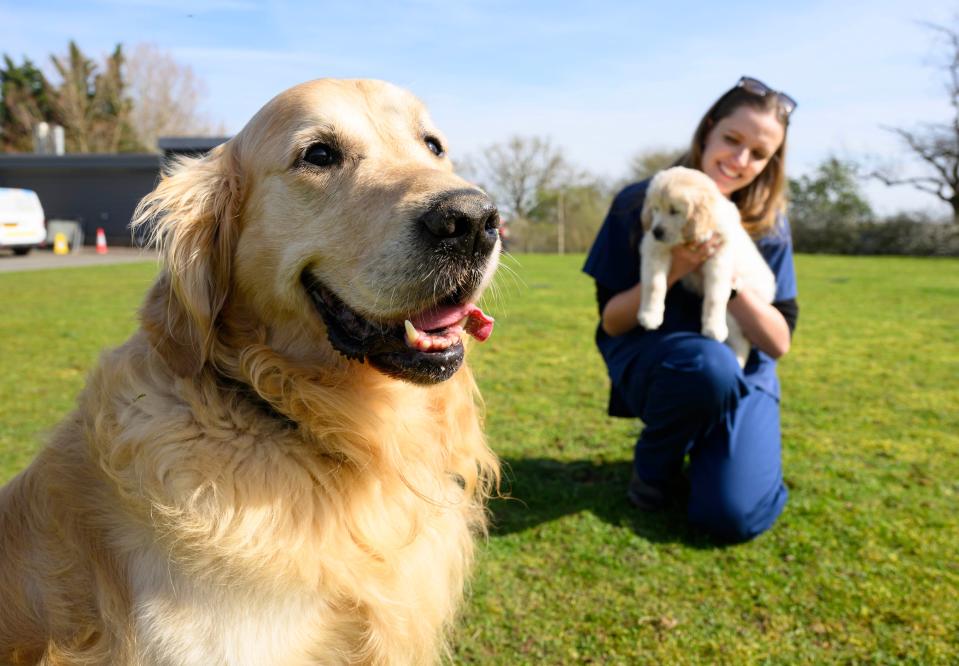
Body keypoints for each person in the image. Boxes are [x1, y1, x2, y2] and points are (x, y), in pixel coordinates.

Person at [583, 76, 799, 543]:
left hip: (747, 366)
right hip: (666, 360)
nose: (740, 161)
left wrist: (730, 281)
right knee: (707, 364)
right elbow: (612, 320)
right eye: (732, 140)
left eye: (758, 154)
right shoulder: (641, 202)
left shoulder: (770, 225)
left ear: (771, 162)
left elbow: (779, 342)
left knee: (730, 516)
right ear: (708, 129)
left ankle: (713, 446)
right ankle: (654, 467)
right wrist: (679, 263)